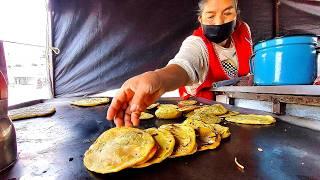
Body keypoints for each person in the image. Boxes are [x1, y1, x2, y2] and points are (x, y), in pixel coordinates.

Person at [107, 0, 254, 127]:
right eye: (210, 16)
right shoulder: (196, 44)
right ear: (200, 19)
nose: (219, 22)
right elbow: (183, 66)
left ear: (236, 14)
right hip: (202, 121)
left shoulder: (244, 31)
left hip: (240, 113)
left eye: (227, 13)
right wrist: (159, 78)